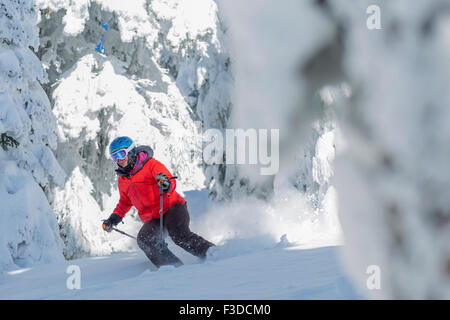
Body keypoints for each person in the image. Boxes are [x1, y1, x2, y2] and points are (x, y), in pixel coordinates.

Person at [102, 136, 215, 268]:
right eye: (115, 157)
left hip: (172, 208)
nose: (120, 160)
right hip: (154, 219)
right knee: (145, 240)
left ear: (131, 151)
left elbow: (169, 179)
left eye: (122, 154)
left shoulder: (151, 165)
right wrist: (113, 219)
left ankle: (213, 253)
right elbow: (124, 202)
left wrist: (165, 183)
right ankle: (173, 268)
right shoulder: (123, 180)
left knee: (179, 236)